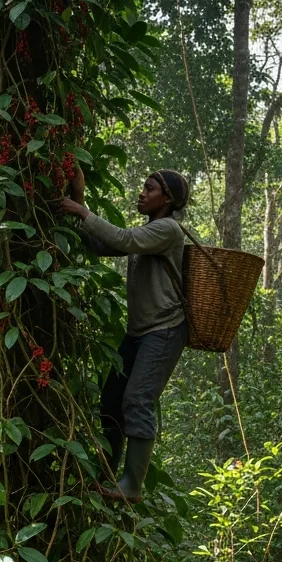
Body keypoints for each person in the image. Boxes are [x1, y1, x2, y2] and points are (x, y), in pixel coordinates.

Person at [56, 169, 192, 504]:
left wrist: (81, 211)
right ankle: (109, 473)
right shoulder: (149, 231)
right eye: (143, 187)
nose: (142, 193)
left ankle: (132, 484)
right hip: (138, 333)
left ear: (168, 199)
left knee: (136, 401)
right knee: (111, 399)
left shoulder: (167, 229)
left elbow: (124, 239)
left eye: (150, 189)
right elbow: (100, 245)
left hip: (164, 331)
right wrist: (78, 199)